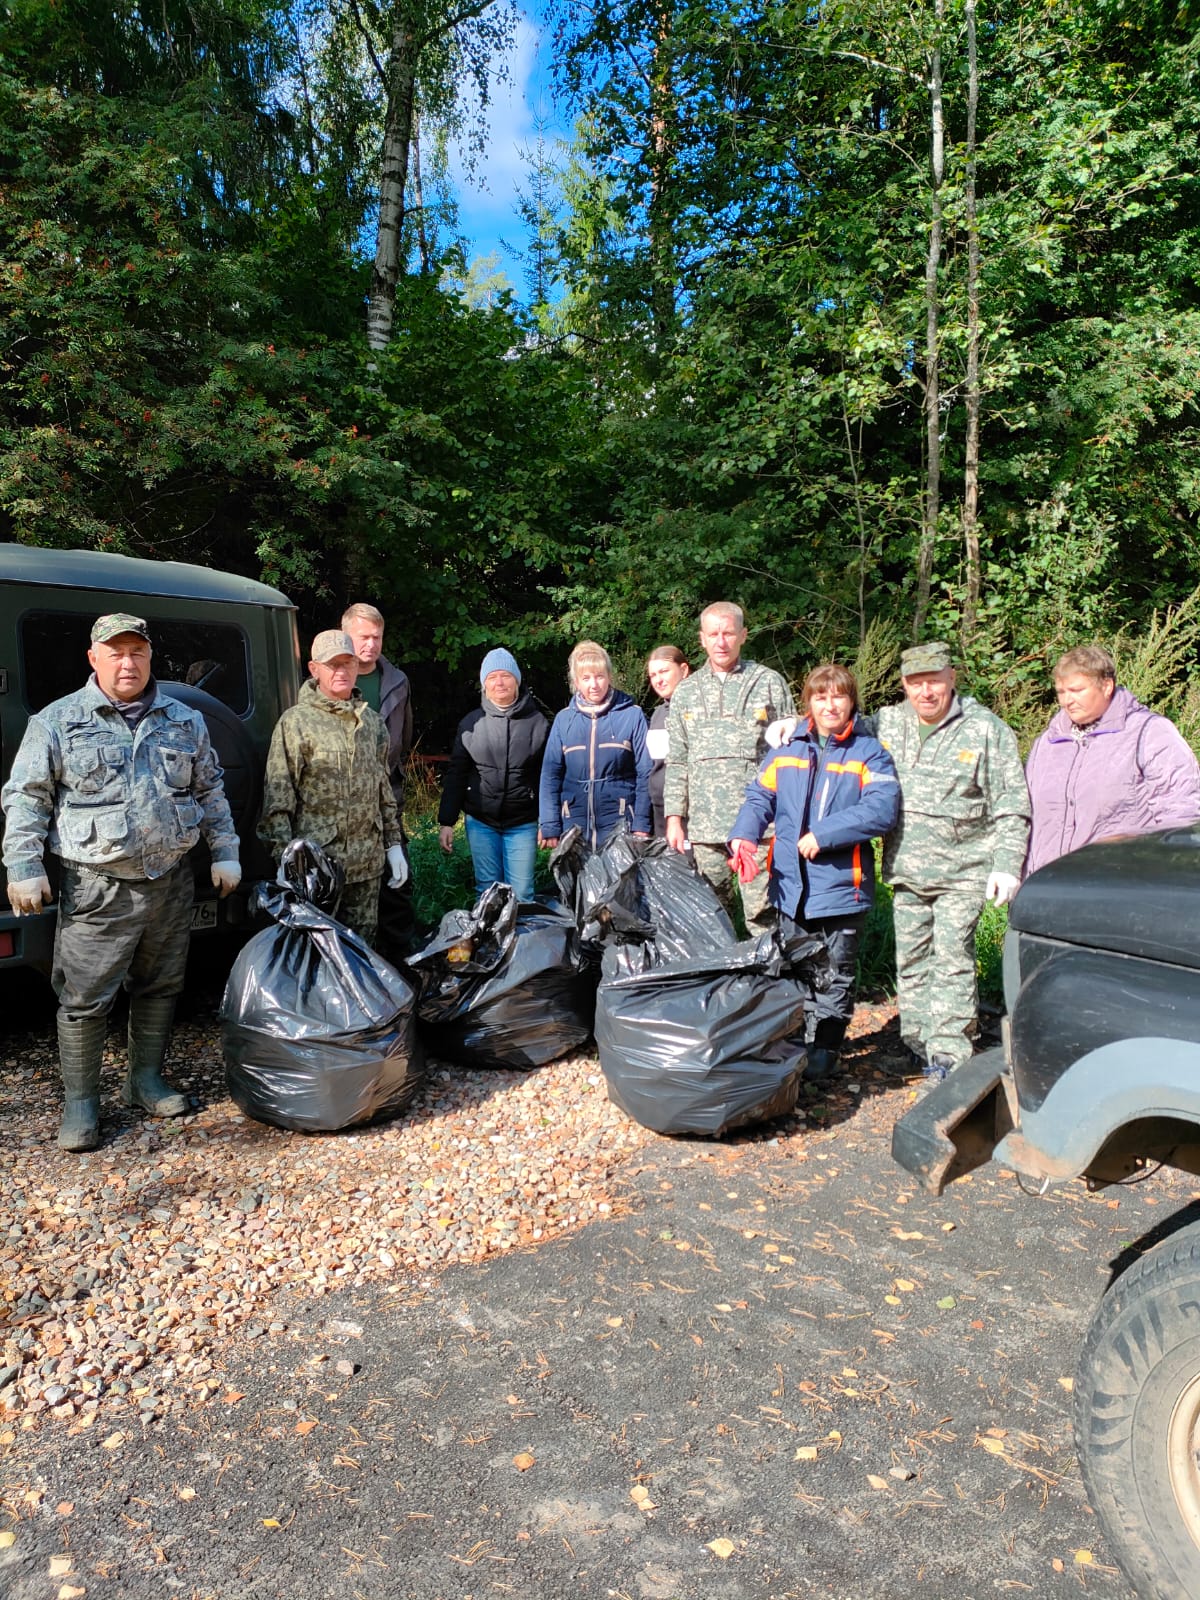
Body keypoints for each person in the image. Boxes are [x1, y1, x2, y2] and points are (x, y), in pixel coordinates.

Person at [1, 613, 242, 1152]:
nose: (127, 663)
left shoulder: (184, 720)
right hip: (97, 884)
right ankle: (82, 1103)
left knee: (161, 985)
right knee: (85, 997)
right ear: (94, 659)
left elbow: (210, 790)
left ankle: (144, 1081)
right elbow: (26, 796)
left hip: (169, 879)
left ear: (150, 657)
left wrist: (226, 852)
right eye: (115, 653)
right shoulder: (58, 721)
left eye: (137, 652)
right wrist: (23, 866)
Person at [728, 664, 900, 1080]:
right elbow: (759, 797)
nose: (830, 705)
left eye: (838, 696)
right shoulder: (787, 750)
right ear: (808, 703)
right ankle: (800, 1038)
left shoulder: (870, 753)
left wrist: (823, 834)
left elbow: (881, 810)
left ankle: (826, 1045)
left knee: (835, 970)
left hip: (842, 885)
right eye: (820, 697)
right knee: (796, 967)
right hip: (790, 886)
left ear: (851, 701)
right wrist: (744, 835)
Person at [875, 641, 1030, 1085]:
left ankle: (948, 1054)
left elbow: (1011, 804)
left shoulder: (986, 729)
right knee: (912, 958)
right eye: (915, 683)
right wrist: (798, 724)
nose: (925, 692)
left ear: (951, 679)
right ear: (904, 685)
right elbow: (838, 729)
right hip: (906, 868)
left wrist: (1006, 862)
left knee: (952, 958)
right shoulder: (887, 722)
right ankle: (918, 1044)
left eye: (934, 682)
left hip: (964, 870)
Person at [258, 630, 407, 947]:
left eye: (348, 663)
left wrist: (393, 844)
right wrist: (289, 866)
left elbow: (383, 790)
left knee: (361, 956)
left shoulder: (372, 724)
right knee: (315, 958)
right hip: (319, 871)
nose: (341, 671)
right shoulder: (296, 723)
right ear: (315, 669)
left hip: (367, 869)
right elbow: (276, 804)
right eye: (332, 665)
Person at [663, 601, 795, 931]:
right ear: (702, 639)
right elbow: (677, 759)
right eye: (713, 634)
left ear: (743, 636)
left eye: (728, 633)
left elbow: (791, 755)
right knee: (711, 917)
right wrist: (674, 818)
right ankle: (718, 980)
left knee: (763, 915)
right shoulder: (686, 692)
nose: (721, 641)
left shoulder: (768, 682)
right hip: (706, 826)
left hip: (759, 826)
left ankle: (768, 979)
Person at [1025, 644, 1200, 875]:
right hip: (1048, 888)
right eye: (1061, 692)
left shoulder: (1149, 734)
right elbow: (1024, 816)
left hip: (1117, 888)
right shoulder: (1047, 744)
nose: (1068, 700)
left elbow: (1182, 816)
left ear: (1106, 686)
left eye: (1077, 690)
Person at [438, 648, 549, 901]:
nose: (499, 682)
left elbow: (547, 776)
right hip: (481, 822)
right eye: (492, 677)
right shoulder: (471, 724)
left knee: (522, 894)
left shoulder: (538, 723)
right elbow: (457, 773)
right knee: (487, 892)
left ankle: (522, 941)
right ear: (484, 684)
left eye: (506, 676)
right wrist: (447, 821)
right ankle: (490, 940)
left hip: (523, 822)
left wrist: (548, 821)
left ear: (517, 681)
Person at [341, 602, 416, 957]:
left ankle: (398, 964)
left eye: (376, 637)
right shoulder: (334, 678)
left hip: (389, 796)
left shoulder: (397, 682)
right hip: (340, 801)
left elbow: (404, 735)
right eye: (362, 637)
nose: (370, 644)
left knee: (397, 886)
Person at [538, 641, 652, 850]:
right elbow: (550, 775)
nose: (594, 685)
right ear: (576, 682)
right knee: (577, 883)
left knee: (620, 883)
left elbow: (646, 772)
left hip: (621, 823)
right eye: (586, 678)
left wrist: (642, 824)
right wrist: (550, 824)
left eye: (599, 676)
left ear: (609, 677)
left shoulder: (632, 715)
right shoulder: (564, 720)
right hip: (573, 824)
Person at [645, 645, 690, 838]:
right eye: (653, 675)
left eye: (664, 671)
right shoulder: (657, 714)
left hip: (689, 811)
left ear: (684, 670)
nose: (658, 680)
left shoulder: (699, 711)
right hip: (660, 810)